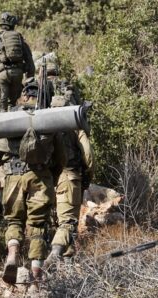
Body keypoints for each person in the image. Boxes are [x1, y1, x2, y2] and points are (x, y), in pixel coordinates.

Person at [0, 80, 66, 285]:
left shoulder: (10, 116)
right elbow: (61, 158)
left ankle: (13, 254)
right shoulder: (47, 117)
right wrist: (51, 176)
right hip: (40, 176)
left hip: (13, 176)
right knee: (38, 224)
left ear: (23, 95)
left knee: (14, 220)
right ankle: (36, 277)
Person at [45, 94, 93, 264]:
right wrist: (88, 174)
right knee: (68, 222)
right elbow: (88, 154)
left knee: (54, 221)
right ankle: (54, 255)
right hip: (69, 177)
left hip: (47, 180)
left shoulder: (44, 125)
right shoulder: (74, 127)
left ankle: (67, 260)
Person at [0, 12, 35, 113]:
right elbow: (29, 59)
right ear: (13, 24)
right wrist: (29, 79)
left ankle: (1, 127)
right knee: (14, 106)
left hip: (1, 75)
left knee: (1, 107)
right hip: (18, 74)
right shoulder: (19, 38)